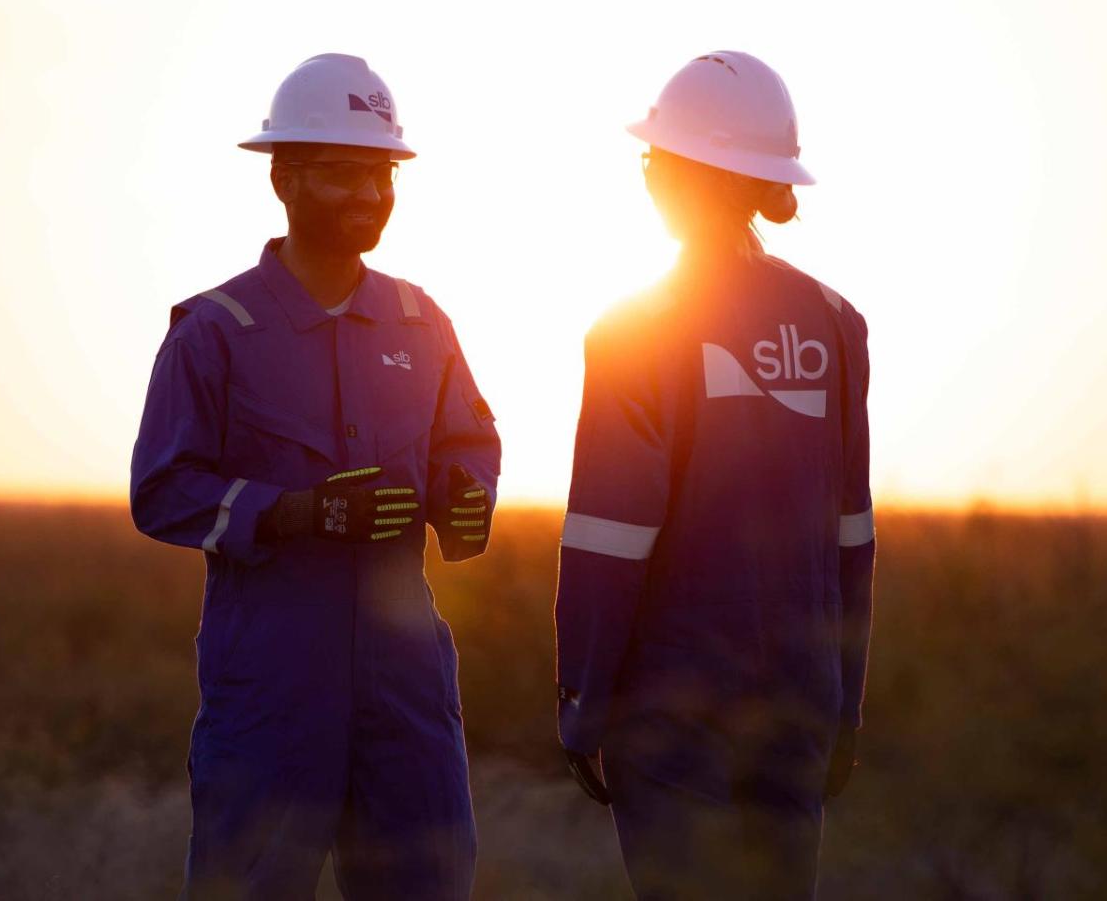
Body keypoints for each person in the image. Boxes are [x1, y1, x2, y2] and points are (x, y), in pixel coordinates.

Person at [130, 53, 499, 900]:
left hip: (405, 692)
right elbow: (161, 490)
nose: (370, 195)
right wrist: (295, 514)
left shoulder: (421, 319)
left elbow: (471, 438)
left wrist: (463, 495)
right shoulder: (216, 333)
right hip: (270, 693)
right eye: (343, 175)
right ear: (284, 179)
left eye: (382, 173)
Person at [554, 51, 875, 899]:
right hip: (799, 706)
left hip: (673, 709)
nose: (649, 174)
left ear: (686, 173)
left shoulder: (637, 328)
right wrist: (843, 707)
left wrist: (583, 700)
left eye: (656, 158)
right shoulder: (837, 324)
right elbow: (854, 537)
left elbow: (609, 535)